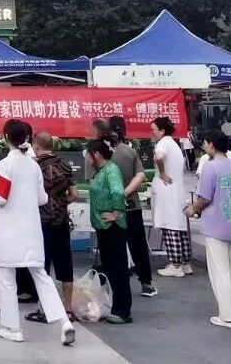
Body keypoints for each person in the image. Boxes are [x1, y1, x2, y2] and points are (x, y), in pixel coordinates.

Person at [0, 118, 75, 347]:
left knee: (7, 279)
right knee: (42, 276)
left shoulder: (5, 164)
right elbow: (42, 198)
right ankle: (64, 321)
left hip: (8, 232)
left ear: (6, 137)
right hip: (32, 231)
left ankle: (12, 328)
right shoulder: (33, 165)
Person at [186, 131, 231, 329]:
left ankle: (228, 316)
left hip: (216, 225)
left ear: (212, 145)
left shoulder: (210, 166)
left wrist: (192, 209)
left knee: (220, 271)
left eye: (205, 143)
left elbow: (205, 198)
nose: (204, 146)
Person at [22, 131, 77, 321]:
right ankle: (68, 309)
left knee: (42, 267)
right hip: (61, 221)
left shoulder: (34, 166)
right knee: (65, 266)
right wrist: (60, 203)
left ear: (36, 146)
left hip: (41, 222)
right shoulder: (65, 165)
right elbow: (74, 194)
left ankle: (44, 309)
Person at [107, 116, 160, 294]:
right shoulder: (130, 152)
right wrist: (125, 193)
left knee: (114, 248)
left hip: (109, 209)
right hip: (131, 206)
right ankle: (146, 283)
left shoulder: (101, 153)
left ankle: (117, 285)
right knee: (138, 246)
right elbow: (141, 175)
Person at [85, 138, 133, 324]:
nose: (87, 159)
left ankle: (122, 310)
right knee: (110, 268)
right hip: (102, 227)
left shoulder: (111, 171)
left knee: (118, 268)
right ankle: (114, 306)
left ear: (96, 154)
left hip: (112, 227)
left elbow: (117, 192)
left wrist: (116, 213)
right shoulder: (101, 171)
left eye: (88, 155)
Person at [151, 117, 191, 277]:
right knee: (180, 227)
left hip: (167, 190)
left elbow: (159, 157)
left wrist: (161, 173)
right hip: (177, 189)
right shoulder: (174, 145)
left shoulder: (162, 143)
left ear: (162, 131)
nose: (152, 133)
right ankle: (185, 262)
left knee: (169, 227)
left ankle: (175, 265)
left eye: (154, 130)